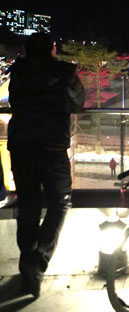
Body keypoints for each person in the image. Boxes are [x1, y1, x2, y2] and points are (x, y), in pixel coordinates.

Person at [8, 33, 85, 298]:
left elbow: (16, 102)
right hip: (52, 146)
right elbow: (78, 104)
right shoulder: (65, 72)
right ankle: (38, 259)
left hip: (21, 146)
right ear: (52, 49)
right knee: (60, 202)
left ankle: (28, 260)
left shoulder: (18, 71)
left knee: (28, 203)